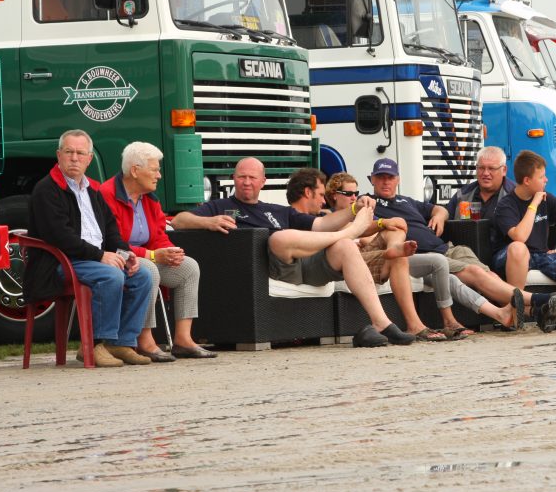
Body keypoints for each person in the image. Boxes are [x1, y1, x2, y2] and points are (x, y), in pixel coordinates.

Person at [171, 158, 415, 348]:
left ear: (262, 181)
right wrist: (209, 222)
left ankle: (381, 323)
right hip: (270, 267)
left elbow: (321, 225)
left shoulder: (277, 210)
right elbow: (179, 220)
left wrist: (354, 208)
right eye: (242, 177)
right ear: (233, 179)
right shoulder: (219, 206)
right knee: (279, 237)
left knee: (345, 246)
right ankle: (349, 233)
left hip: (306, 265)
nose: (246, 182)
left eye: (252, 178)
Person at [22, 129, 154, 368]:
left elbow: (111, 229)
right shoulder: (47, 190)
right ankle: (93, 346)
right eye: (69, 152)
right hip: (61, 263)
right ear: (58, 155)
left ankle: (122, 343)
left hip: (92, 259)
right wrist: (101, 256)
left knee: (143, 274)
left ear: (90, 158)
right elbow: (60, 237)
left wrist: (126, 254)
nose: (74, 158)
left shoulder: (93, 190)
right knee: (111, 275)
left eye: (80, 153)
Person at [366, 158, 537, 336]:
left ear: (398, 179)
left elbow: (440, 209)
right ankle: (536, 302)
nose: (386, 182)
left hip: (447, 247)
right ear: (372, 179)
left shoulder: (407, 201)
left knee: (490, 274)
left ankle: (524, 311)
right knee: (475, 273)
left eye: (390, 177)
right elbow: (362, 227)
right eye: (380, 177)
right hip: (423, 255)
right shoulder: (369, 203)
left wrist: (439, 216)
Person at [100, 142, 216, 362]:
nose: (159, 176)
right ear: (135, 171)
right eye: (154, 169)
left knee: (189, 267)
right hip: (117, 258)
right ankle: (145, 339)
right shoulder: (107, 194)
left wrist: (170, 251)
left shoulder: (149, 199)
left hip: (145, 256)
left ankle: (183, 339)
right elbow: (110, 242)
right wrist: (152, 255)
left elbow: (158, 235)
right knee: (150, 269)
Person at [302, 170, 448, 342]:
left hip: (369, 254)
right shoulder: (327, 217)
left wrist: (382, 225)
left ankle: (394, 250)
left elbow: (368, 235)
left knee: (396, 230)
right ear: (333, 196)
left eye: (356, 194)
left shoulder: (359, 215)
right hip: (349, 259)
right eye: (348, 194)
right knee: (398, 249)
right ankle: (391, 253)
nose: (353, 198)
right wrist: (378, 225)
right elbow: (345, 233)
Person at [492, 150, 556, 331]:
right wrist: (533, 205)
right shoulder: (506, 205)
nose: (546, 180)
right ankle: (516, 309)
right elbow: (519, 237)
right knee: (519, 248)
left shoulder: (546, 197)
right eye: (541, 177)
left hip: (540, 255)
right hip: (510, 256)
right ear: (527, 180)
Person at [444, 146, 516, 220]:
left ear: (504, 170)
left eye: (491, 168)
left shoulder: (515, 197)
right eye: (481, 168)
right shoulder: (462, 196)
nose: (485, 173)